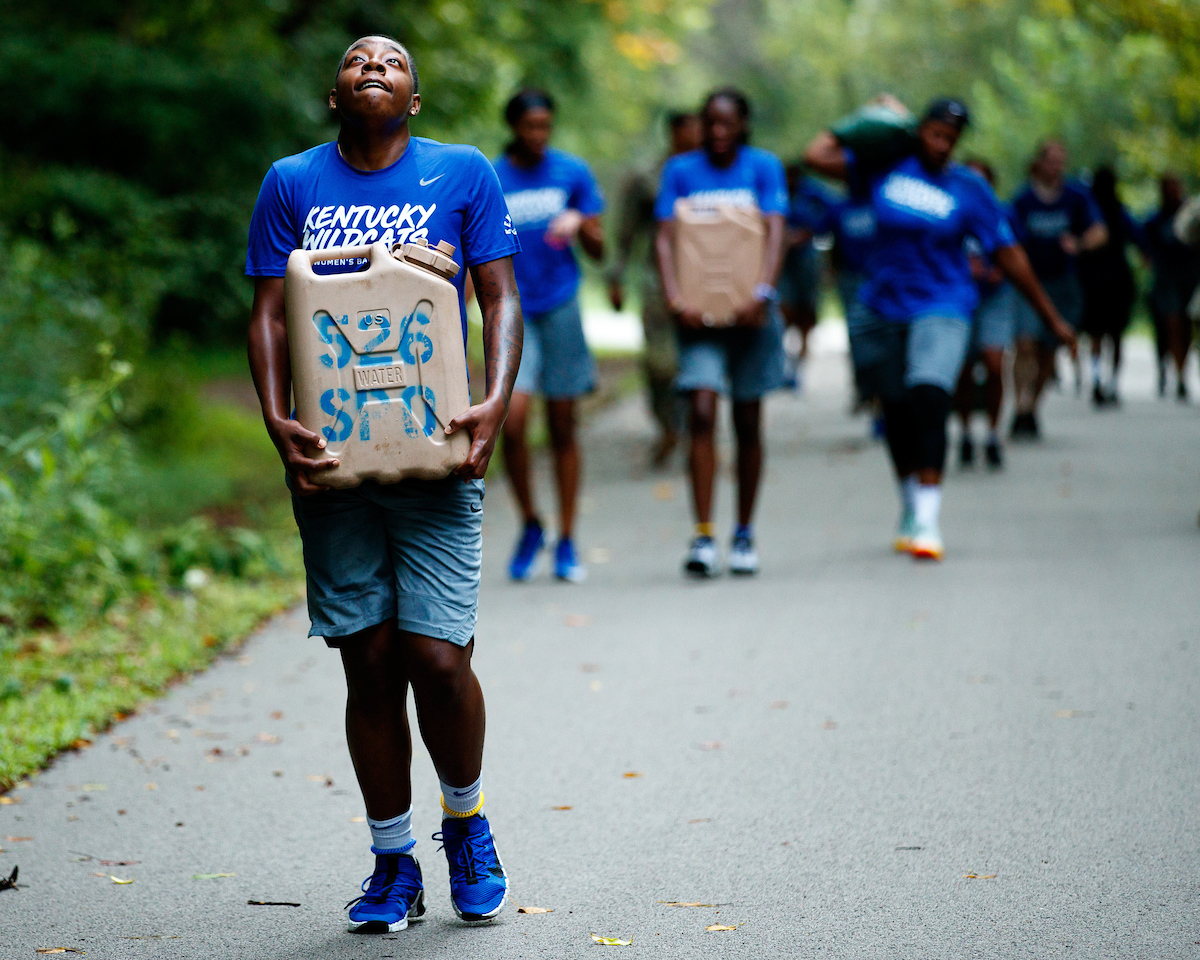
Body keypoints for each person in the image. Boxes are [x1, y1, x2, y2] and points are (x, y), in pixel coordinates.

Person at [245, 36, 520, 933]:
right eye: (358, 58)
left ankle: (467, 822)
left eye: (393, 60)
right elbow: (268, 317)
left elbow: (500, 297)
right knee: (367, 661)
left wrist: (495, 403)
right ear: (333, 94)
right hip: (334, 464)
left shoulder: (464, 172)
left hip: (438, 455)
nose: (374, 64)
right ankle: (392, 860)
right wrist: (275, 420)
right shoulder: (291, 182)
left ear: (414, 98)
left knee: (437, 660)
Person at [805, 98, 1077, 560]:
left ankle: (929, 520)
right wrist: (870, 119)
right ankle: (910, 501)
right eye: (934, 131)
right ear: (919, 129)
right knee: (894, 409)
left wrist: (1051, 317)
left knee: (930, 395)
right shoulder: (883, 167)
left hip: (944, 302)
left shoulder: (969, 188)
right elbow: (816, 155)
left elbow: (1010, 255)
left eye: (951, 136)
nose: (942, 142)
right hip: (883, 303)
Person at [654, 88, 788, 577]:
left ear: (743, 125)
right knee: (704, 410)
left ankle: (745, 533)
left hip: (753, 316)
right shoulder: (681, 171)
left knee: (749, 421)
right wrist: (675, 298)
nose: (716, 132)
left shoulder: (763, 167)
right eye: (709, 122)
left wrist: (764, 292)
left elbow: (775, 232)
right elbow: (665, 240)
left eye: (726, 123)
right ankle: (704, 533)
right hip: (698, 319)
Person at [493, 89, 606, 582]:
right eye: (530, 126)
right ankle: (530, 523)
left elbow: (601, 251)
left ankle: (567, 538)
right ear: (514, 126)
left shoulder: (572, 173)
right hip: (514, 309)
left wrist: (581, 221)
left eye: (546, 126)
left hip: (560, 306)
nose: (539, 136)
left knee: (563, 425)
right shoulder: (492, 177)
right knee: (512, 423)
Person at [608, 111, 702, 466]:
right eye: (686, 130)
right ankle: (667, 426)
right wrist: (615, 277)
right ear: (673, 133)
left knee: (700, 360)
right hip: (658, 281)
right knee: (660, 363)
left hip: (705, 280)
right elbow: (626, 232)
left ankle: (698, 435)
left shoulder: (711, 173)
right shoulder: (647, 177)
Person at [1009, 140, 1107, 437]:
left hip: (1062, 284)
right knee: (1024, 344)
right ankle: (1019, 406)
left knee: (1048, 351)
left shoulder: (1076, 196)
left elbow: (1100, 231)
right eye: (1051, 160)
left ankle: (1032, 409)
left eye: (1060, 161)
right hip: (1029, 283)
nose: (1056, 166)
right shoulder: (1023, 199)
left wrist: (1079, 244)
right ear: (1039, 162)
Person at [952, 159, 1016, 469]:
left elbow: (1016, 253)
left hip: (994, 298)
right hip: (960, 299)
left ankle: (993, 433)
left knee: (994, 364)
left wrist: (999, 270)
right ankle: (964, 432)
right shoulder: (950, 210)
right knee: (962, 370)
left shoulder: (1003, 213)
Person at [1077, 166, 1144, 407]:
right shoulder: (1118, 211)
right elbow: (1139, 236)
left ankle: (1097, 378)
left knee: (1096, 333)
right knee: (1115, 335)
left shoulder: (1089, 212)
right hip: (1116, 279)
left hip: (1094, 279)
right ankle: (1112, 383)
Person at [779, 166, 836, 392]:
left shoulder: (811, 192)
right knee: (783, 310)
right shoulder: (776, 191)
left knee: (806, 313)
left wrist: (811, 231)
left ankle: (797, 368)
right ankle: (784, 365)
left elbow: (833, 212)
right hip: (782, 260)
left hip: (807, 258)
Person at [1144, 174, 1198, 402]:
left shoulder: (1192, 213)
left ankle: (1181, 371)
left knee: (1188, 326)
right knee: (1171, 324)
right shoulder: (1154, 221)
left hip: (1193, 276)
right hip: (1167, 278)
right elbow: (1145, 247)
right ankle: (1177, 374)